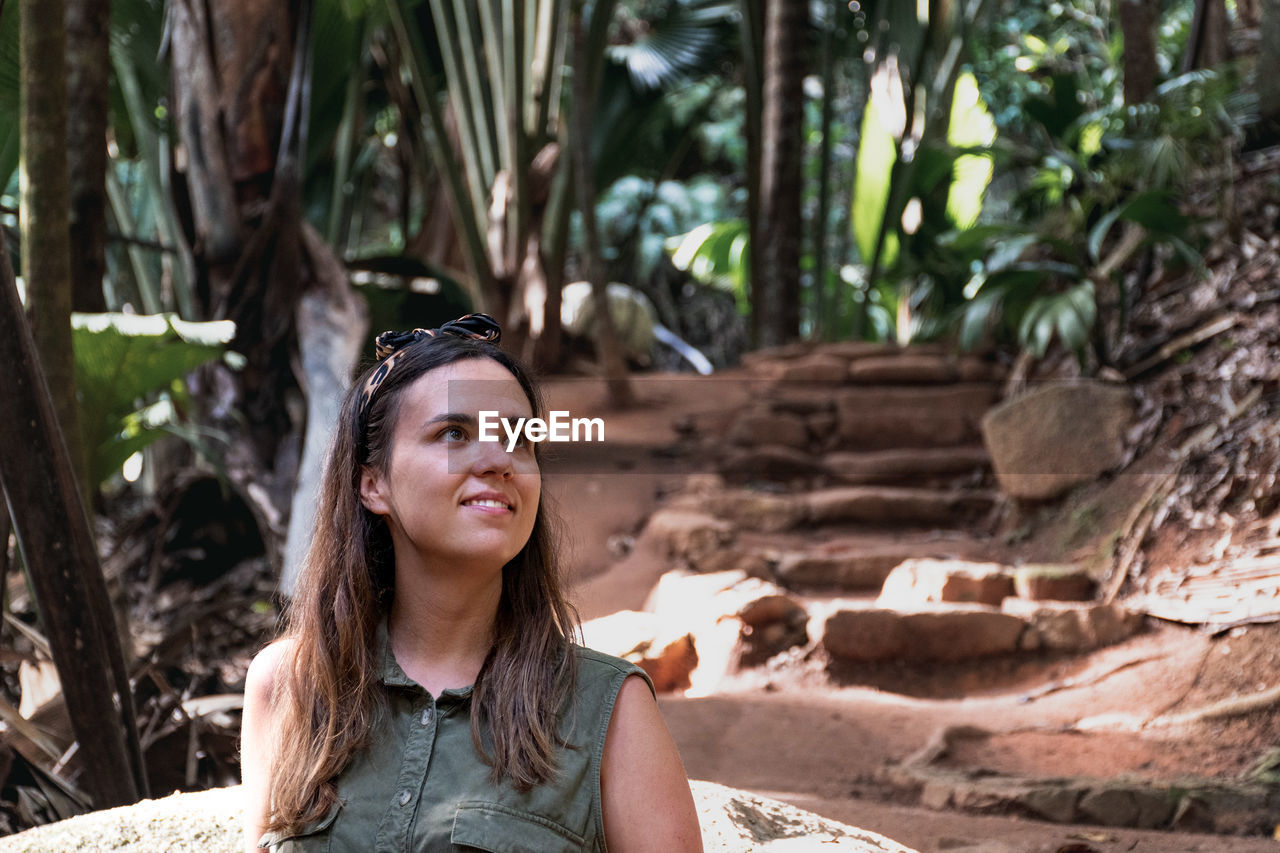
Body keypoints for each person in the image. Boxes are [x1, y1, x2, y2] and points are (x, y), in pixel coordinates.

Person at [241, 314, 702, 852]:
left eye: (517, 438)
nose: (497, 460)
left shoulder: (613, 712)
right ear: (374, 483)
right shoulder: (287, 687)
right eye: (453, 433)